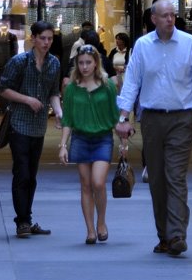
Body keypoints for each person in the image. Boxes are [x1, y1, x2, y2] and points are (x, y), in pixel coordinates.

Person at [115, 0, 192, 257]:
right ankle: (164, 236)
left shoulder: (189, 43)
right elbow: (132, 82)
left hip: (182, 119)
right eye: (165, 16)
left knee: (176, 176)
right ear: (154, 19)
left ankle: (177, 234)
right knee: (157, 180)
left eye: (173, 15)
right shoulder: (142, 46)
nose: (170, 19)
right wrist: (123, 116)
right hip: (151, 119)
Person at [0, 20, 63, 239]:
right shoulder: (19, 62)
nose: (46, 42)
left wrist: (59, 112)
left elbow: (53, 92)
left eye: (50, 38)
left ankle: (27, 218)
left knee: (31, 175)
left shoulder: (54, 63)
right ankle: (22, 221)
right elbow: (3, 88)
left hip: (38, 126)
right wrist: (27, 100)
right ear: (33, 38)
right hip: (18, 123)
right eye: (42, 38)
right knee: (22, 172)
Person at [59, 46, 119, 245]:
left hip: (103, 138)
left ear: (96, 63)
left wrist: (125, 141)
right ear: (77, 64)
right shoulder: (72, 88)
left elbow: (114, 115)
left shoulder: (108, 86)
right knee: (85, 185)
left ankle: (101, 222)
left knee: (98, 183)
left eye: (88, 62)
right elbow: (67, 118)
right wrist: (63, 145)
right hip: (80, 139)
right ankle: (90, 230)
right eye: (81, 62)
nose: (84, 67)